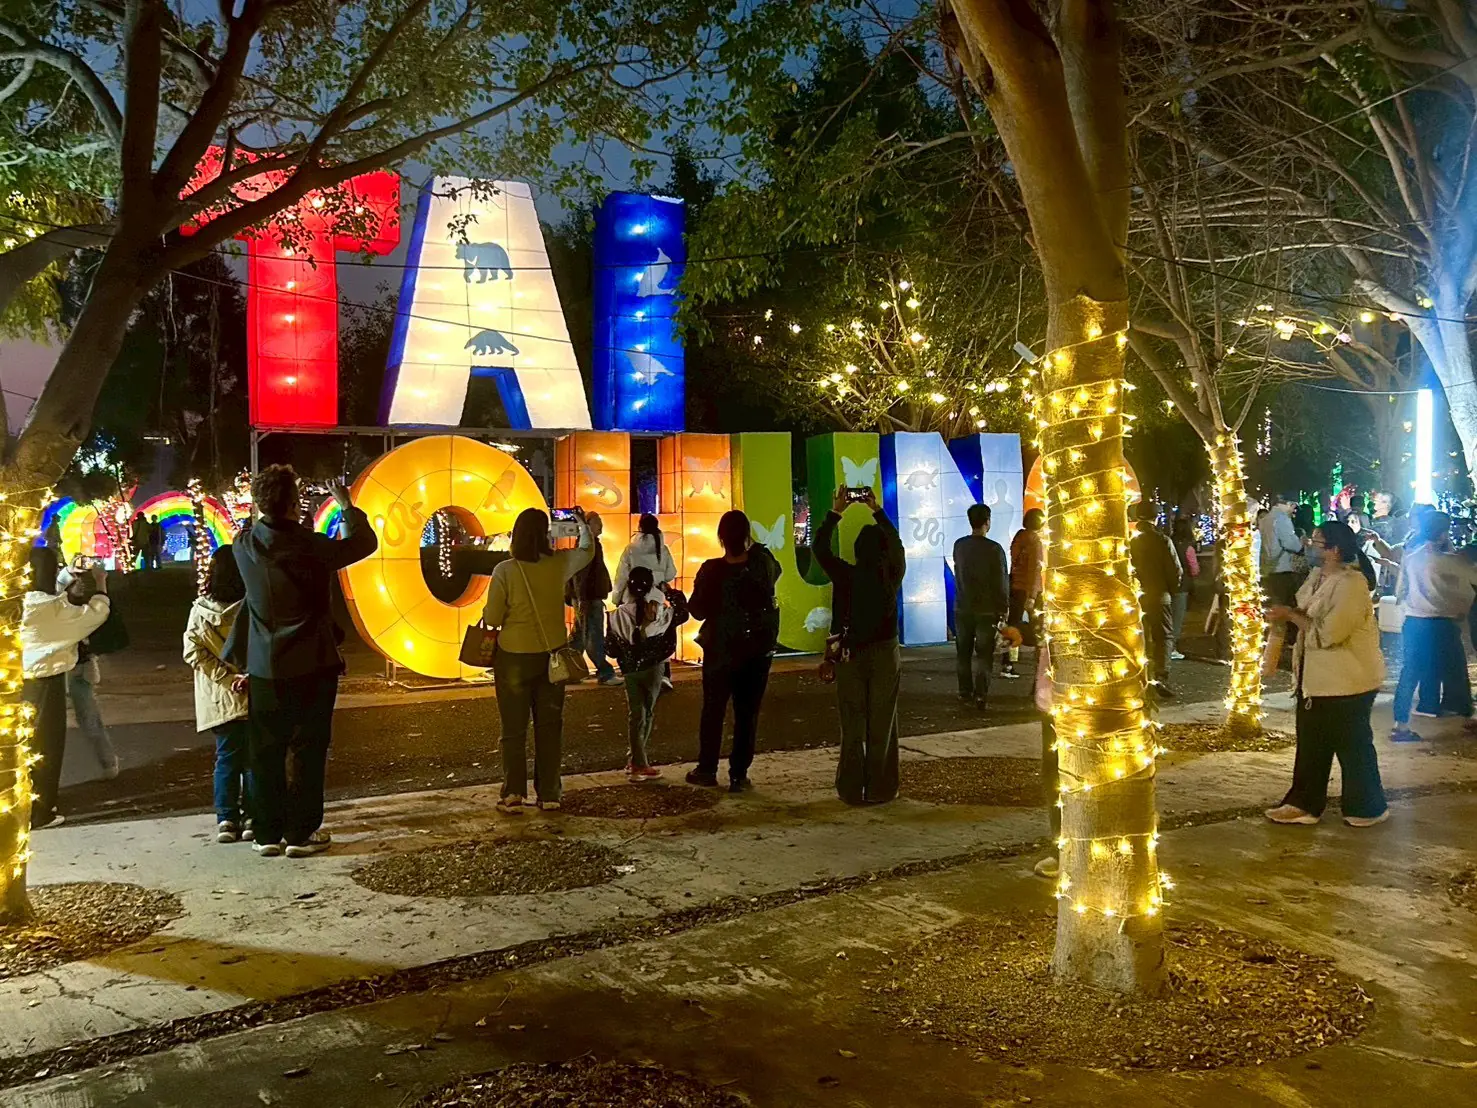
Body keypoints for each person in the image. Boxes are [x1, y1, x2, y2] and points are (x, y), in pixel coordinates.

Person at [227, 468, 377, 858]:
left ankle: (266, 833)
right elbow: (364, 543)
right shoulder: (313, 547)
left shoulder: (243, 546)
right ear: (295, 505)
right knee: (308, 749)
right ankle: (301, 832)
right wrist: (346, 506)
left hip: (263, 664)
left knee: (266, 751)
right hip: (313, 661)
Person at [1265, 520, 1388, 827]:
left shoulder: (1352, 585)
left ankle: (1367, 807)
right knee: (1311, 745)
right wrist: (1286, 614)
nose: (1310, 547)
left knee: (1353, 747)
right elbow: (1305, 610)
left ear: (1334, 550)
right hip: (1314, 682)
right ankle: (1303, 804)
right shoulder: (1317, 577)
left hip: (1348, 681)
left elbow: (1331, 633)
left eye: (1317, 543)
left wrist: (1291, 616)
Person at [482, 506, 594, 813]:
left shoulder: (505, 570)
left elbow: (492, 617)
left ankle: (513, 794)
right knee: (549, 726)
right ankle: (550, 793)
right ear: (546, 533)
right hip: (551, 658)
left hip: (514, 659)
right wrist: (580, 522)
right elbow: (587, 550)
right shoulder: (557, 564)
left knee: (514, 729)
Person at [814, 487, 906, 805]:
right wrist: (876, 510)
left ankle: (851, 787)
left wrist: (836, 511)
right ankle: (882, 786)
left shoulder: (845, 575)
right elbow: (898, 547)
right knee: (883, 721)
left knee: (852, 722)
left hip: (851, 654)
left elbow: (820, 549)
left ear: (856, 550)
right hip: (885, 652)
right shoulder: (892, 576)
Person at [687, 510, 782, 793]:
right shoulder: (760, 566)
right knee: (746, 714)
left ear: (721, 538)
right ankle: (739, 775)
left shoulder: (711, 570)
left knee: (713, 711)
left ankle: (706, 769)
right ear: (746, 536)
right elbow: (775, 570)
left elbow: (698, 610)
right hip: (756, 651)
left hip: (720, 651)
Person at [21, 550, 111, 829]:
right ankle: (41, 810)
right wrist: (101, 583)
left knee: (19, 748)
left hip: (14, 682)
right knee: (45, 746)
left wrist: (66, 576)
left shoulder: (16, 603)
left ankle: (19, 803)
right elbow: (96, 613)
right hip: (45, 684)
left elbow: (51, 594)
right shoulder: (54, 611)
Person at [186, 545, 253, 843]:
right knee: (253, 758)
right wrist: (245, 675)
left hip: (218, 698)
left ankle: (226, 819)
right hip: (253, 692)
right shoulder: (251, 607)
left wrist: (226, 678)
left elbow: (193, 652)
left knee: (226, 757)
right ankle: (253, 816)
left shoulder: (199, 611)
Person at [1391, 511, 1477, 741]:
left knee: (1409, 672)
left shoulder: (1411, 556)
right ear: (1443, 533)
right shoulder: (1449, 560)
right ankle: (1466, 714)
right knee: (1456, 667)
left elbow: (1401, 589)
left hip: (1413, 620)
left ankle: (1400, 724)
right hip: (1442, 622)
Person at [606, 566, 688, 782]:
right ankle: (639, 764)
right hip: (654, 668)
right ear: (651, 586)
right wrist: (669, 591)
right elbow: (683, 613)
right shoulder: (660, 612)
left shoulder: (615, 616)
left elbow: (611, 649)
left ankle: (635, 760)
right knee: (647, 713)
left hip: (630, 670)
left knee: (636, 715)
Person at [57, 567, 120, 780]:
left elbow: (101, 610)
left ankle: (108, 763)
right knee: (52, 723)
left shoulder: (82, 605)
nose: (81, 583)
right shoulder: (57, 604)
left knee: (89, 718)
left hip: (78, 669)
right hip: (60, 670)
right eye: (76, 580)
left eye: (82, 579)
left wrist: (101, 582)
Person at [953, 503, 1009, 707]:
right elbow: (1001, 581)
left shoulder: (959, 545)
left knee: (963, 652)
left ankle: (964, 691)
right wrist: (1003, 610)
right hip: (987, 609)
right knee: (984, 654)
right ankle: (980, 694)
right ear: (987, 522)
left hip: (962, 606)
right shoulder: (994, 549)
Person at [616, 513, 680, 690]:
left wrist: (616, 598)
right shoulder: (663, 548)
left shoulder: (630, 548)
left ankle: (637, 674)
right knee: (658, 634)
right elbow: (671, 573)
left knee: (636, 635)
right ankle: (663, 675)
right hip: (656, 596)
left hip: (633, 597)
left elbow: (621, 576)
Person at [1129, 506, 1181, 697]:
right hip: (1159, 595)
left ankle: (1136, 677)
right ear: (1155, 519)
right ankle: (1161, 677)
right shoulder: (1162, 541)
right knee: (1164, 637)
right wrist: (1172, 589)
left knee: (1138, 637)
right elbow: (1175, 570)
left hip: (1136, 596)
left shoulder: (1130, 542)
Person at [568, 511, 619, 686]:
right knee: (593, 635)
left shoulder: (589, 546)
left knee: (580, 636)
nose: (601, 526)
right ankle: (604, 672)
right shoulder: (590, 547)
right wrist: (582, 599)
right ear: (588, 526)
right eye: (598, 523)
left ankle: (568, 669)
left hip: (585, 597)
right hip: (589, 597)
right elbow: (581, 576)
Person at [1005, 507, 1045, 677]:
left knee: (1012, 626)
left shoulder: (1018, 537)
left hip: (1015, 587)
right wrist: (1033, 595)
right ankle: (1040, 662)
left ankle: (1008, 664)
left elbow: (1015, 563)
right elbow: (1035, 570)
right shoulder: (1035, 541)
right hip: (1029, 590)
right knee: (1038, 628)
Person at [1169, 517, 1200, 660]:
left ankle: (1164, 646)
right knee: (1177, 618)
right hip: (1182, 587)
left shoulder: (1168, 543)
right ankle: (1171, 648)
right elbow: (1194, 569)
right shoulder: (1188, 547)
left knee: (1167, 618)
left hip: (1166, 585)